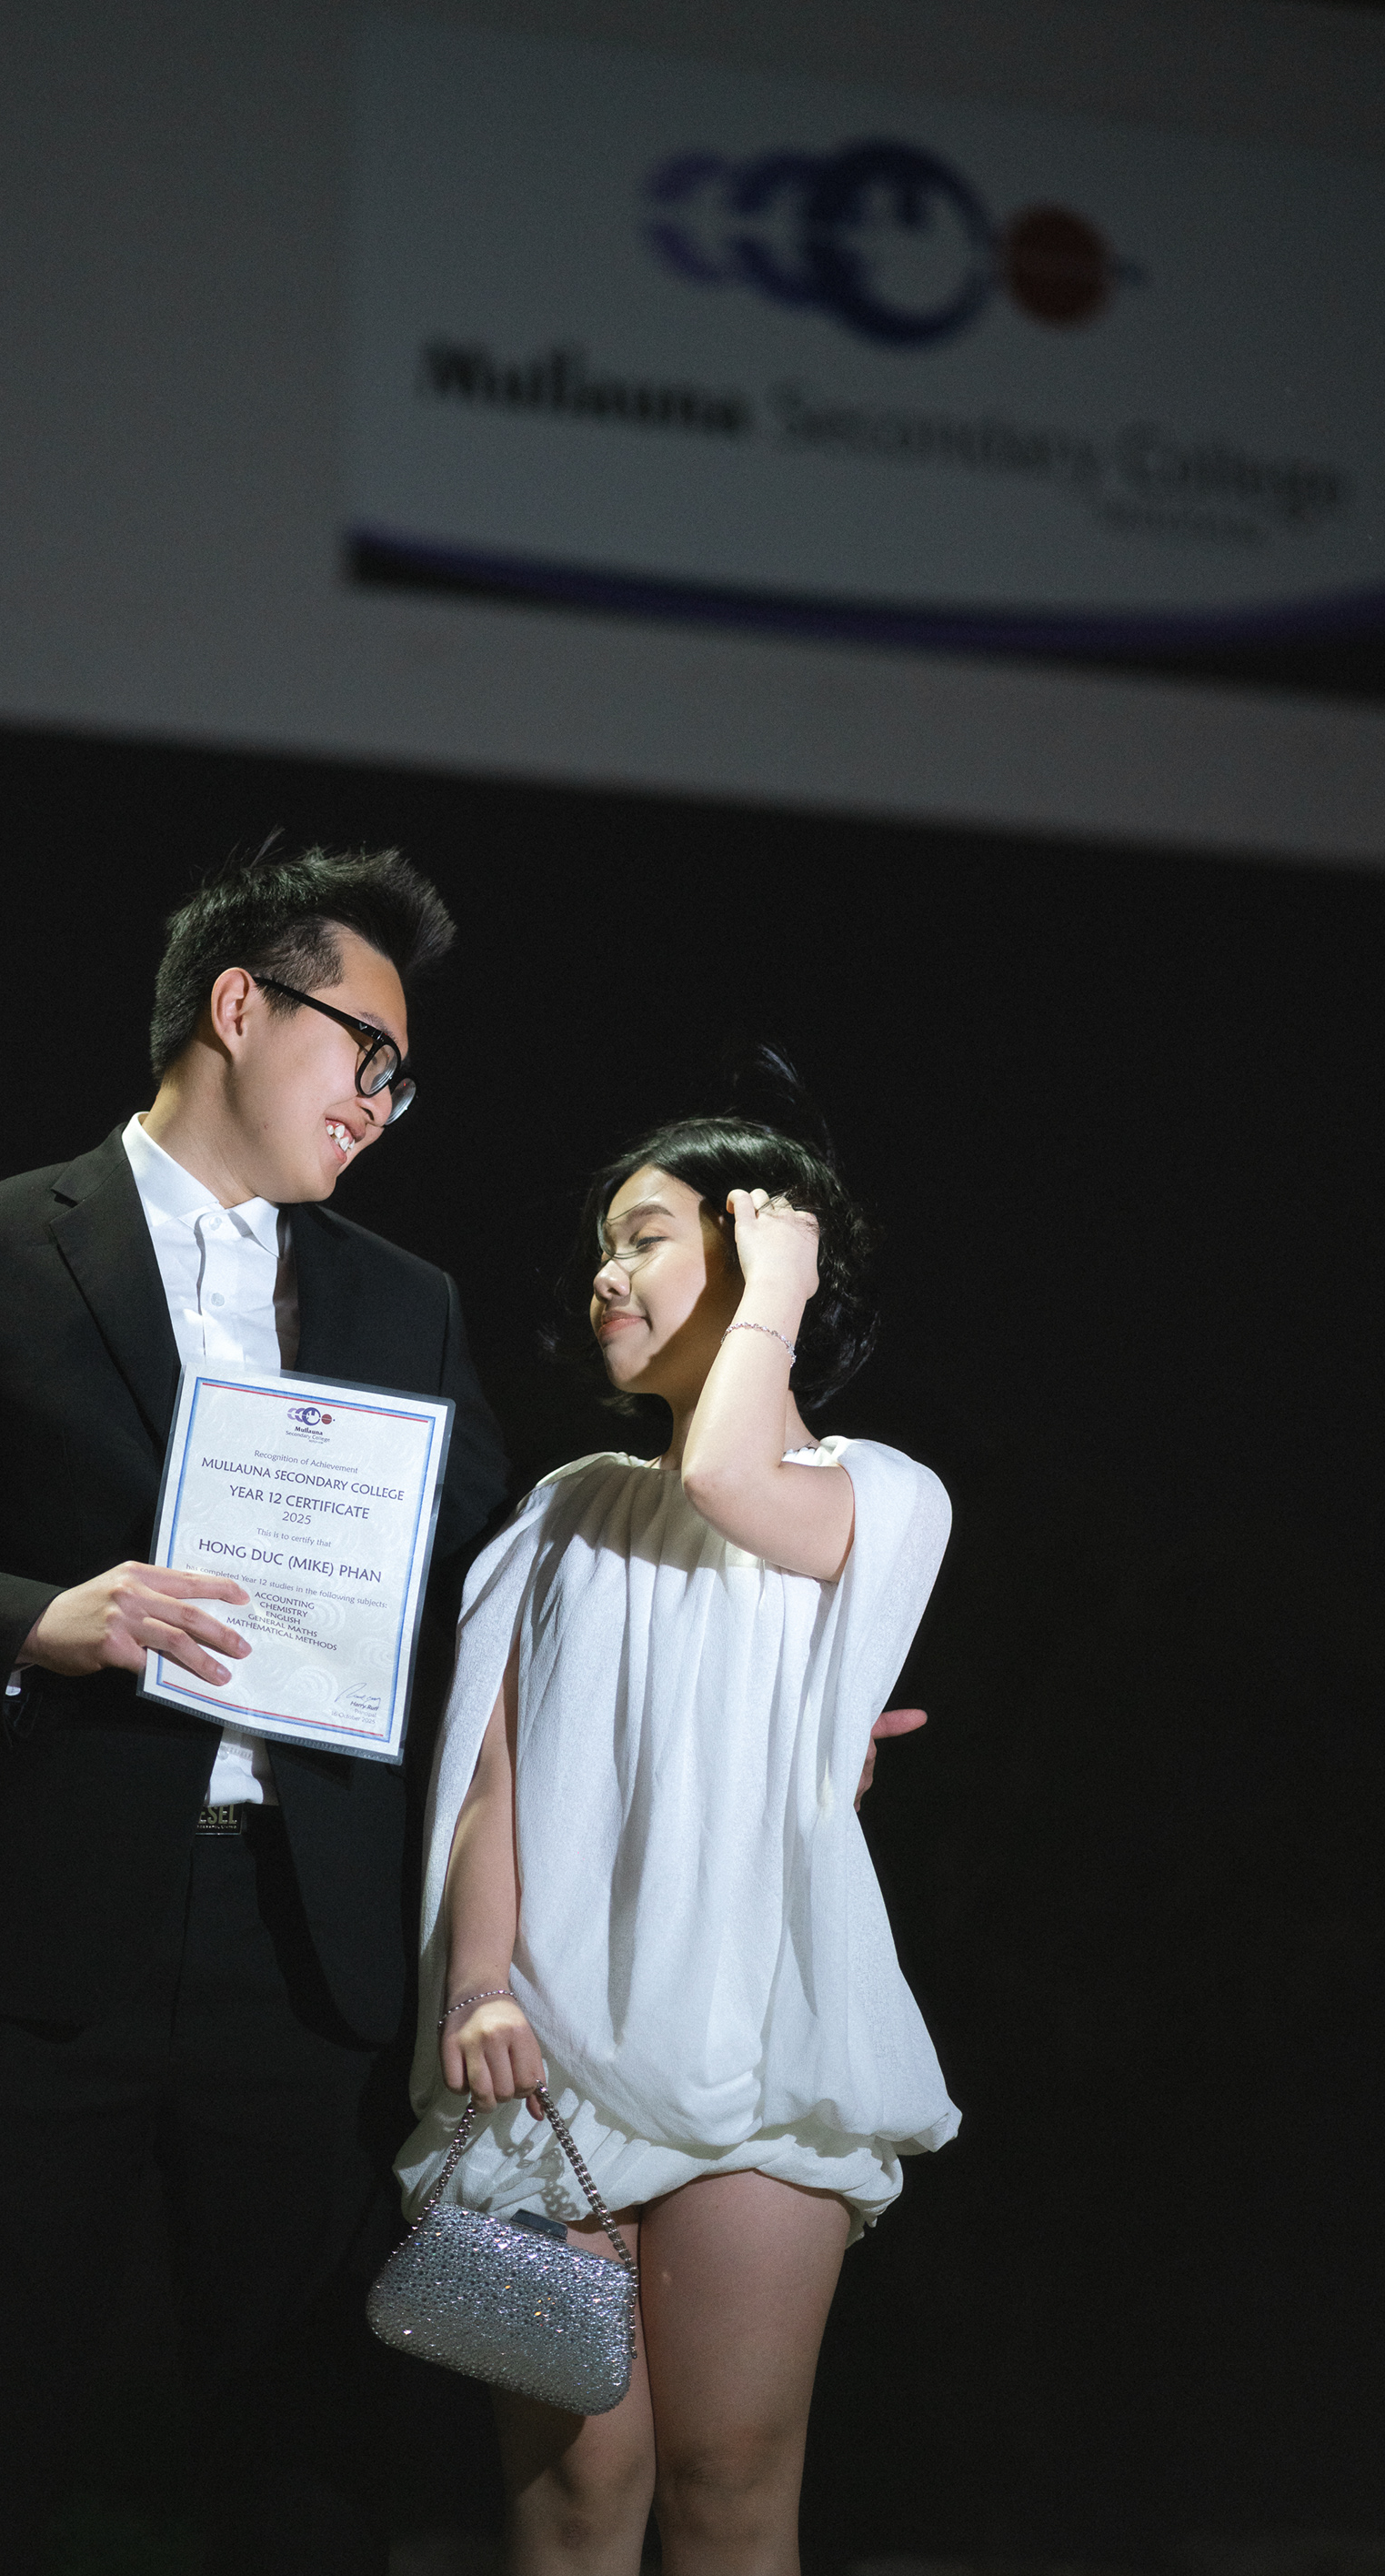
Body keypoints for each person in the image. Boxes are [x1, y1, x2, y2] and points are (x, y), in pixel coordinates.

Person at [0, 844, 512, 2576]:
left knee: (307, 2486)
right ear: (240, 1007)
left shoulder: (404, 1301)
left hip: (310, 1962)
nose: (382, 1105)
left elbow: (500, 1589)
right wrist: (43, 1621)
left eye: (403, 1079)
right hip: (25, 1947)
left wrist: (759, 1699)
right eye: (368, 1053)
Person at [396, 1096, 958, 2576]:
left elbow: (726, 1481)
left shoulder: (883, 1494)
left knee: (730, 2478)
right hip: (538, 2068)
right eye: (603, 1245)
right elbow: (491, 1773)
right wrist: (479, 1984)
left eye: (643, 1238)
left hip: (767, 2056)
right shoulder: (564, 1510)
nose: (604, 1274)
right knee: (569, 2495)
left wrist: (779, 1286)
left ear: (765, 1256)